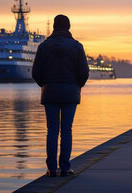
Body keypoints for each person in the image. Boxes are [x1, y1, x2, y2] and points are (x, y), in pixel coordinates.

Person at [32, 14, 89, 177]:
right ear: (69, 27)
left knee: (52, 130)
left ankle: (51, 169)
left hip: (50, 93)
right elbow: (84, 72)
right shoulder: (77, 46)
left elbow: (36, 72)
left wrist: (45, 84)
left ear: (55, 27)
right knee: (66, 130)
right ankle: (65, 168)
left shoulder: (43, 46)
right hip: (71, 93)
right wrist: (77, 85)